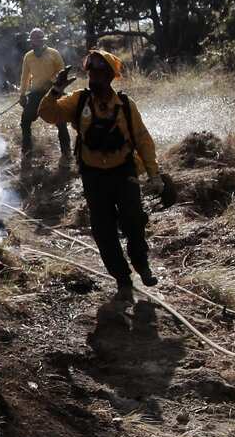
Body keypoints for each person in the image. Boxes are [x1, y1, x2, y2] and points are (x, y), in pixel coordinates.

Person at [38, 50, 165, 306]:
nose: (93, 77)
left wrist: (154, 174)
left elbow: (143, 140)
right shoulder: (78, 101)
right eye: (90, 72)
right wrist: (56, 89)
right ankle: (122, 278)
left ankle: (142, 266)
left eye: (99, 72)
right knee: (103, 230)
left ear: (109, 76)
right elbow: (48, 114)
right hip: (94, 176)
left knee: (133, 222)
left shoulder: (126, 106)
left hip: (124, 172)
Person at [17, 28, 68, 160]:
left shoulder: (53, 53)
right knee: (25, 120)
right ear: (31, 42)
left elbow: (62, 72)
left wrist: (51, 81)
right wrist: (22, 94)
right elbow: (25, 77)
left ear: (43, 40)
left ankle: (66, 152)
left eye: (38, 39)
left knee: (61, 121)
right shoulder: (28, 56)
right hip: (35, 94)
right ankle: (27, 152)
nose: (35, 43)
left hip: (54, 92)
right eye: (33, 40)